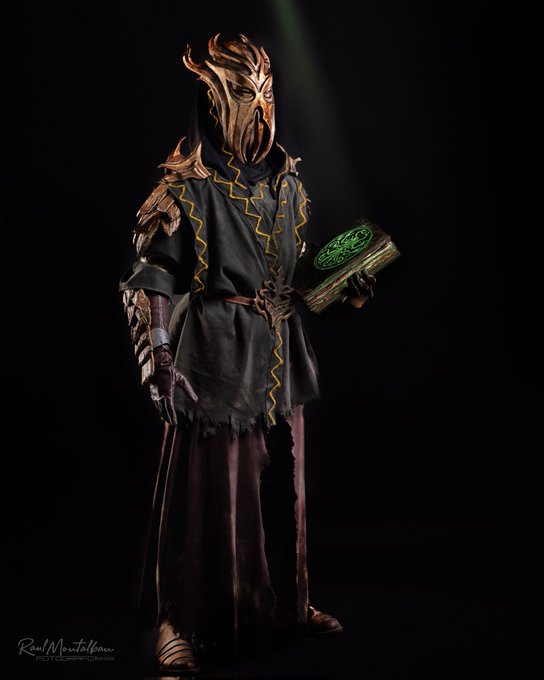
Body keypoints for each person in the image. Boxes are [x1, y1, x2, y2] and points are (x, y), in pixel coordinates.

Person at [119, 33, 374, 674]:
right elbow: (151, 276)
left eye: (265, 91)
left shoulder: (287, 180)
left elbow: (291, 272)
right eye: (241, 92)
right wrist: (159, 354)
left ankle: (289, 604)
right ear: (213, 97)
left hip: (280, 353)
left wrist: (342, 279)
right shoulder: (185, 187)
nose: (258, 106)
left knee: (283, 487)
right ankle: (178, 621)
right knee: (206, 494)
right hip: (213, 358)